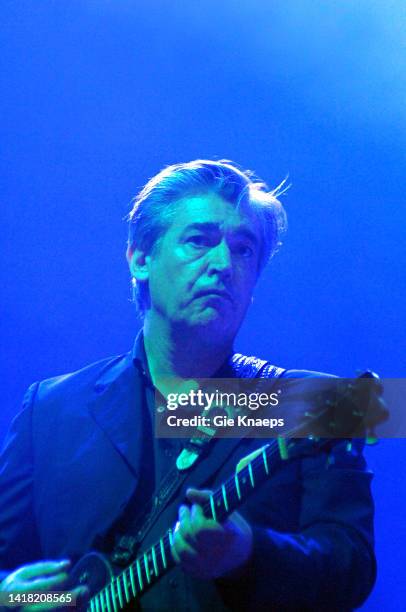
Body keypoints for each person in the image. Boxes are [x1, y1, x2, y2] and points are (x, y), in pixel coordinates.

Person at [0, 160, 377, 611]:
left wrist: (247, 553)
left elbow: (351, 568)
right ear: (141, 257)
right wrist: (23, 596)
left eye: (243, 250)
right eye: (200, 241)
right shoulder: (52, 408)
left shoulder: (313, 403)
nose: (223, 264)